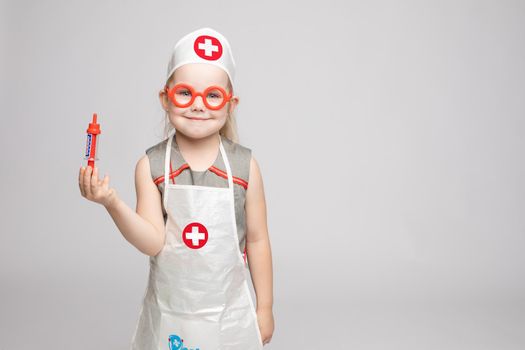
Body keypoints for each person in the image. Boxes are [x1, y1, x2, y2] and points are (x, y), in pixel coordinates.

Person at [78, 27, 274, 349]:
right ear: (165, 99)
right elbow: (153, 242)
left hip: (228, 315)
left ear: (231, 104)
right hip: (172, 315)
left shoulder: (244, 167)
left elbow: (257, 239)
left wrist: (264, 307)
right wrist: (111, 202)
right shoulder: (152, 167)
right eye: (185, 93)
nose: (199, 105)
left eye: (213, 95)